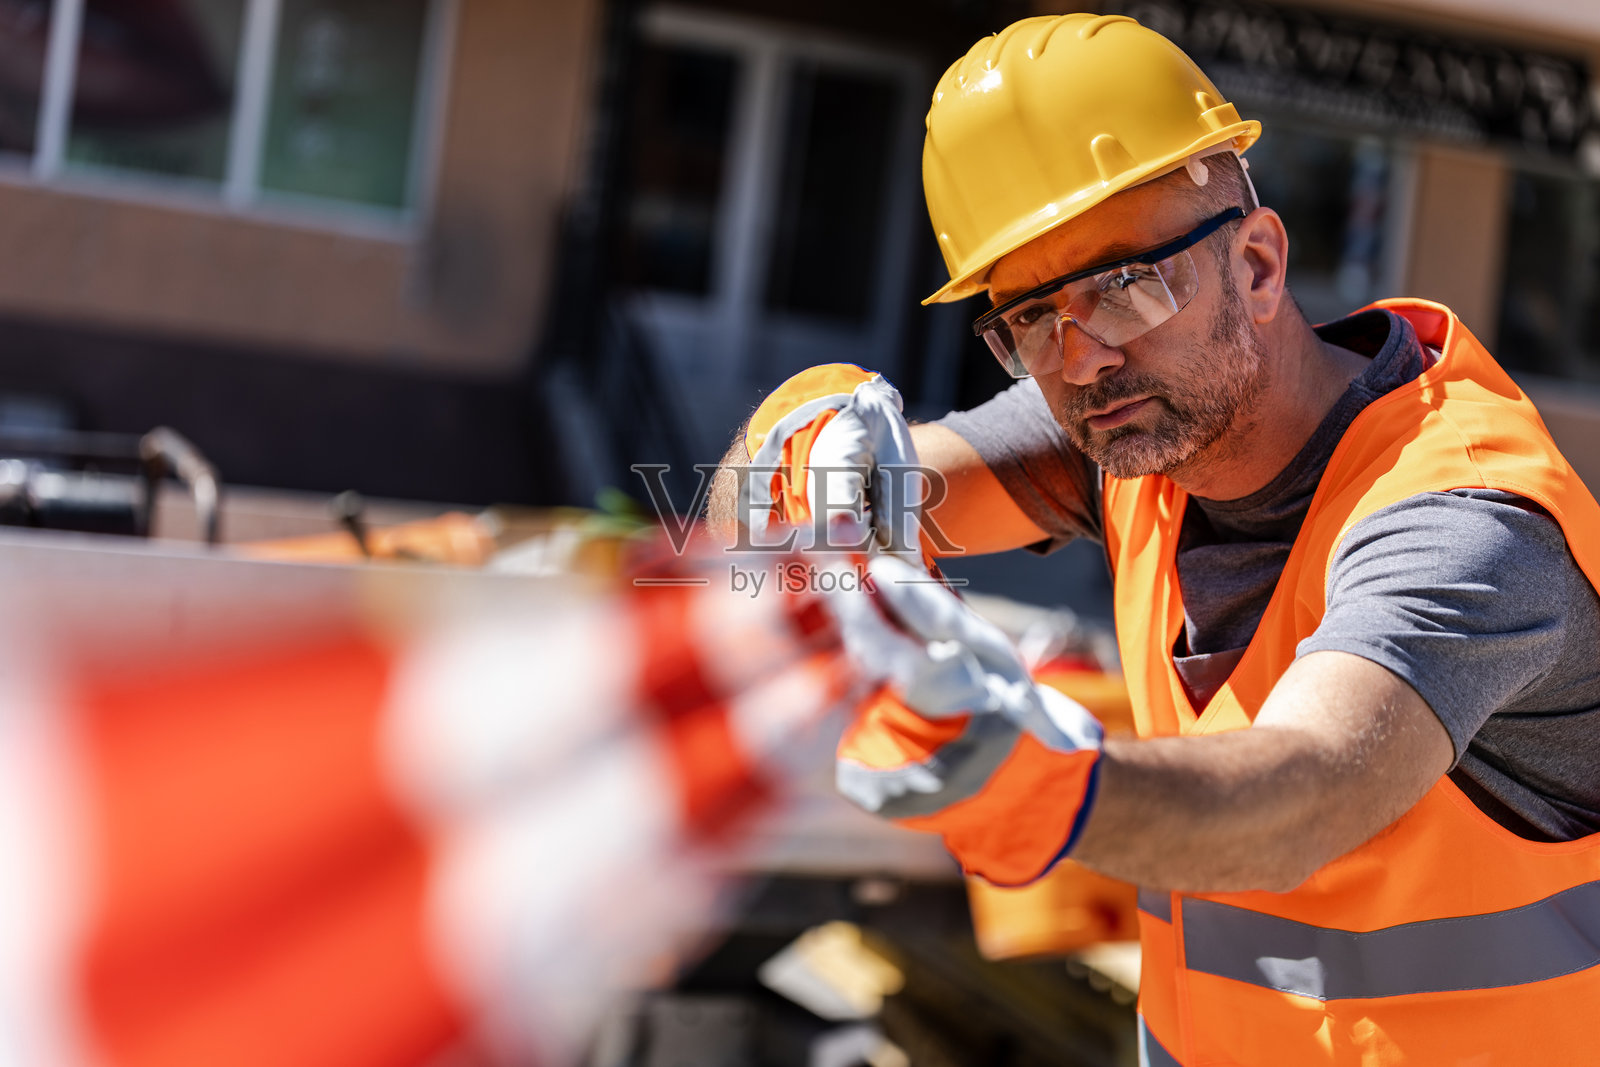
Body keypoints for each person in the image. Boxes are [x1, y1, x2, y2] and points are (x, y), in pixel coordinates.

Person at [716, 13, 1600, 1065]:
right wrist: (800, 452)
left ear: (1259, 265)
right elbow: (782, 515)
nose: (1081, 358)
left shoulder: (1461, 522)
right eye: (1030, 316)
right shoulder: (1133, 429)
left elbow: (1300, 793)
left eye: (1126, 286)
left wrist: (1016, 775)